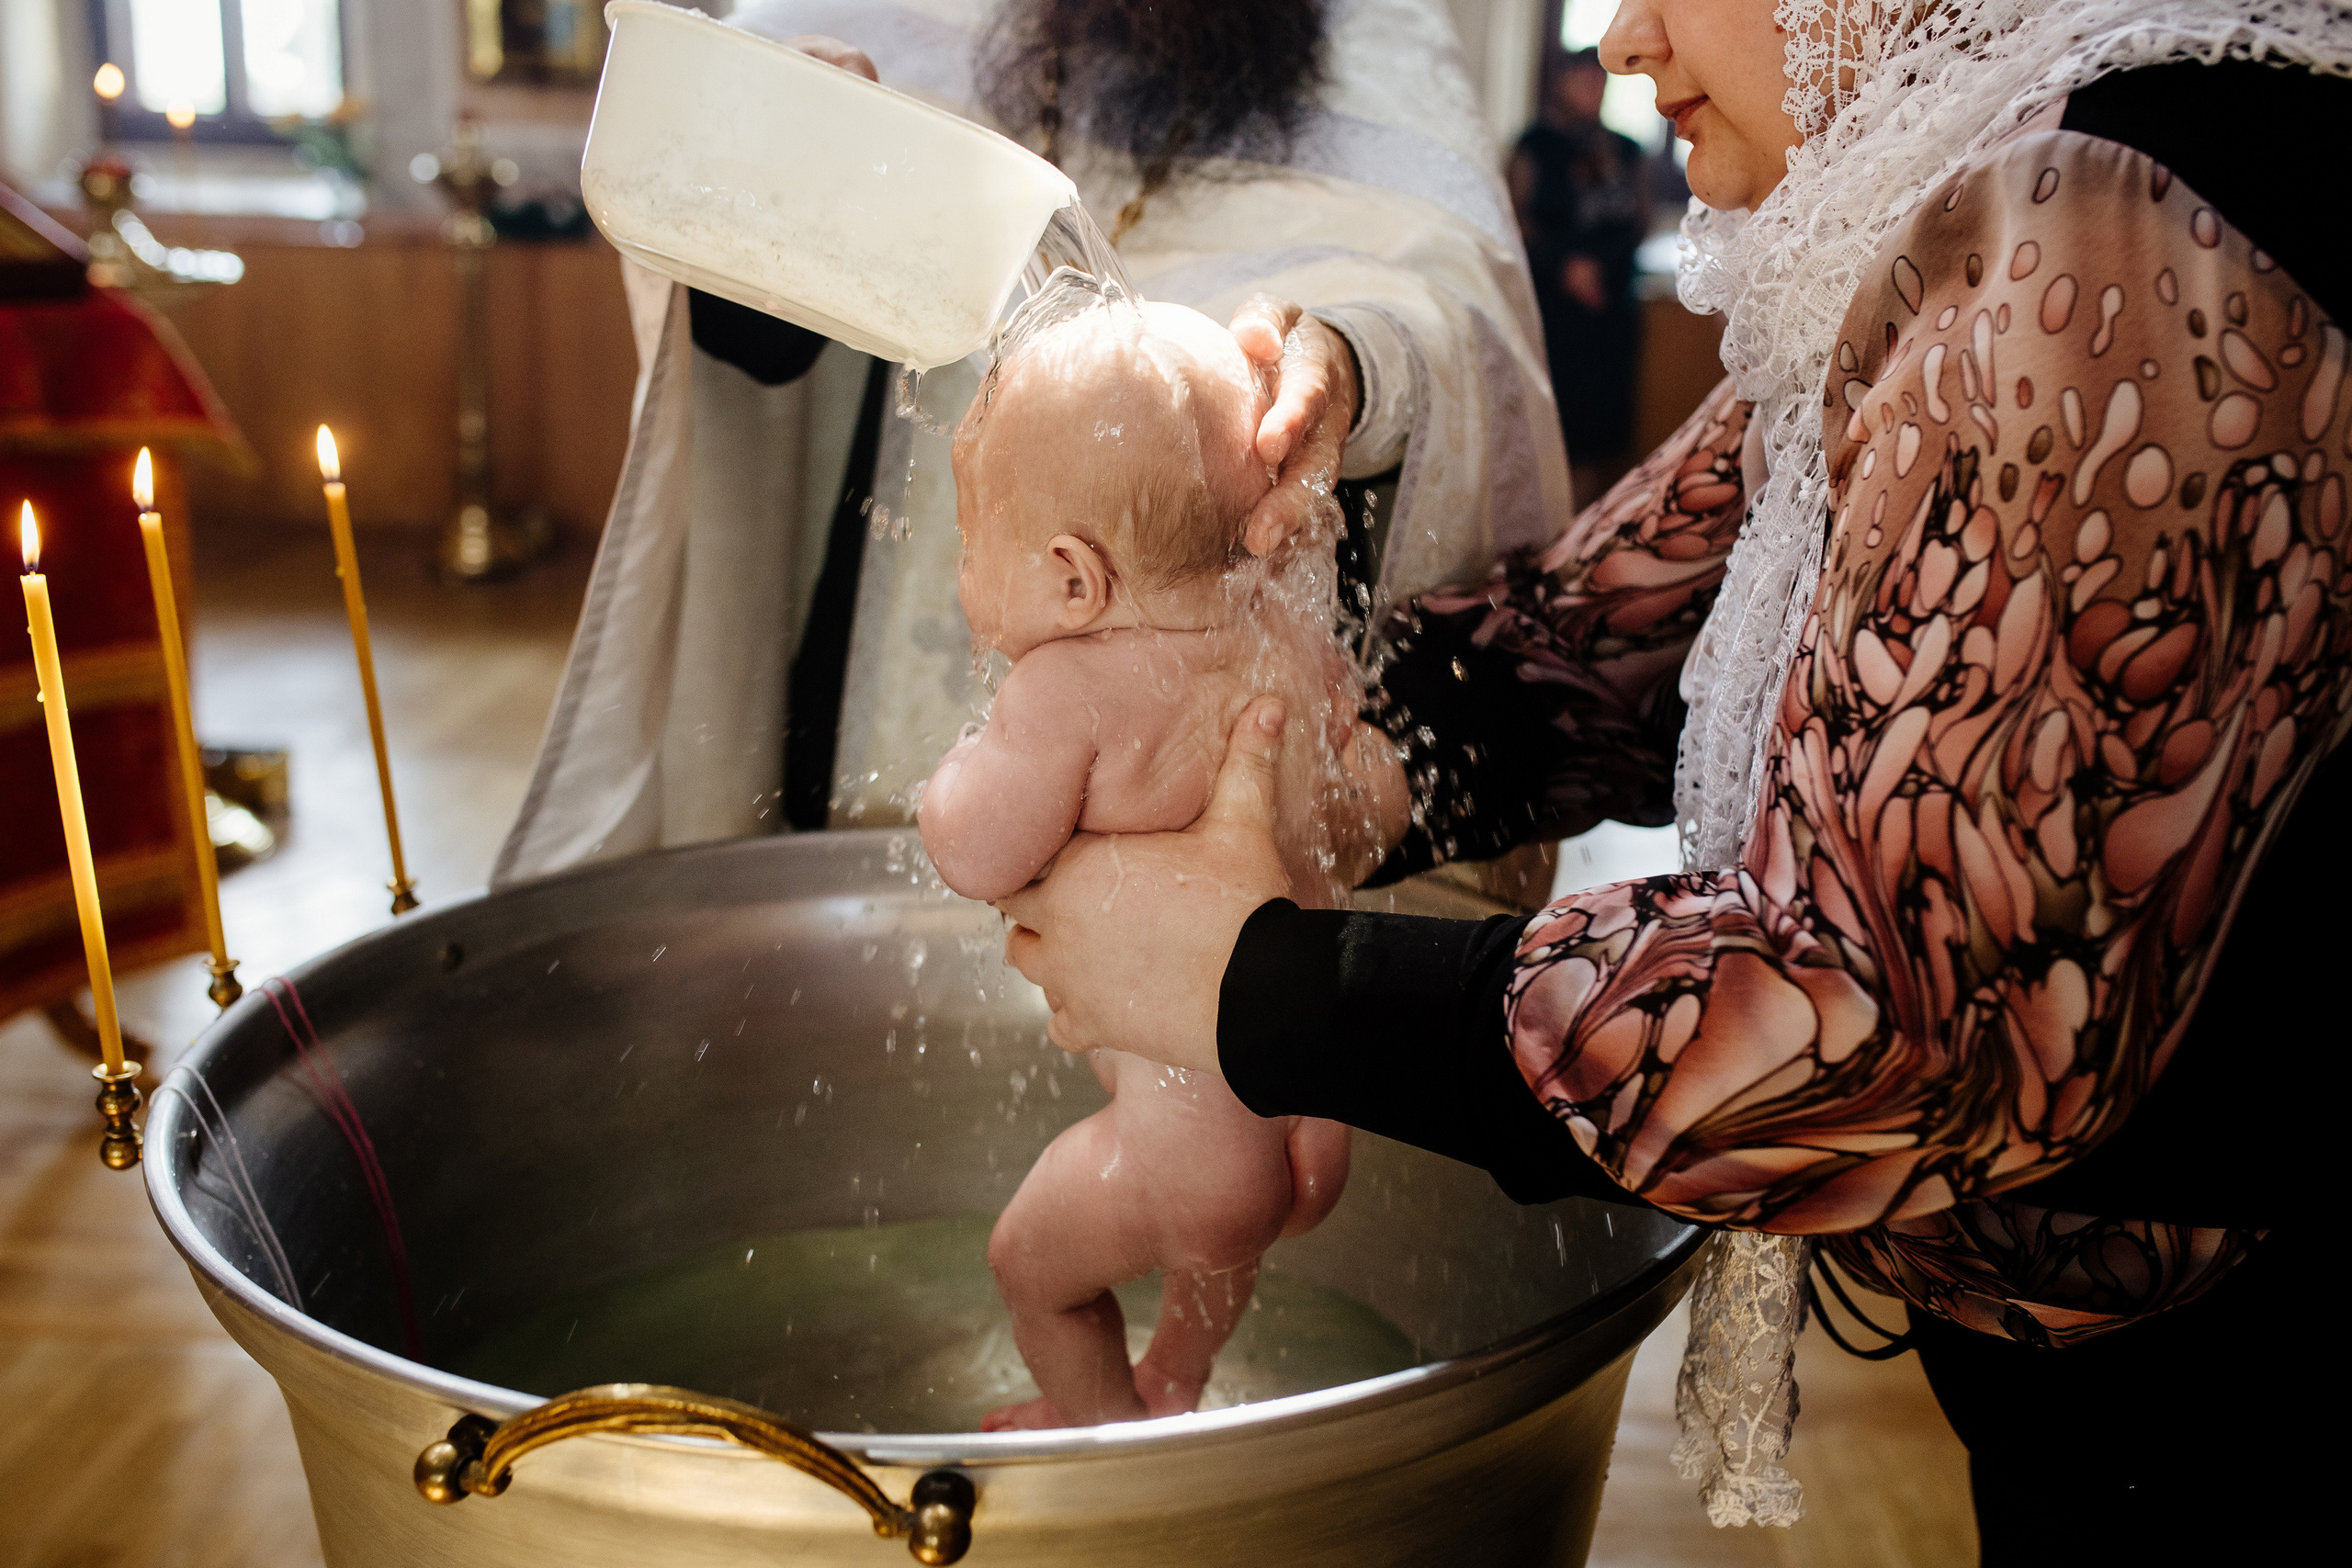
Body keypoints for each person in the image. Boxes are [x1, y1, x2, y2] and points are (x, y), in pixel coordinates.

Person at [989, 0, 2351, 1557]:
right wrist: (1278, 771)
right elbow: (1597, 637)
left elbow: (1901, 1015)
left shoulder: (2111, 236)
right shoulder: (1947, 196)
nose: (1625, 42)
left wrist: (1256, 980)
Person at [491, 0, 1567, 885]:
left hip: (1216, 687)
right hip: (877, 601)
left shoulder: (1383, 39)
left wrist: (1351, 359)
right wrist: (773, 160)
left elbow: (1457, 326)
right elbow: (746, 338)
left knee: (1185, 994)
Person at [919, 289, 1351, 1428]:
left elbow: (974, 848)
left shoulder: (1066, 688)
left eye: (973, 551)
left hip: (1189, 1150)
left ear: (1072, 577)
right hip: (1314, 1114)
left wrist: (953, 774)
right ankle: (1178, 1376)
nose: (964, 588)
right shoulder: (1283, 644)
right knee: (1222, 1241)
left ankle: (1098, 1433)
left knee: (1031, 1272)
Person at [1510, 49, 1650, 501]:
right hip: (1552, 309)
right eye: (1583, 79)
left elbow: (1639, 222)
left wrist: (1600, 268)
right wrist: (1564, 267)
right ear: (1562, 82)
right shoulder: (1534, 146)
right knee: (1550, 424)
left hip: (1608, 309)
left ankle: (1584, 536)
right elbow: (1516, 222)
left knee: (1598, 434)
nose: (1593, 88)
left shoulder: (1627, 149)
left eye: (1600, 80)